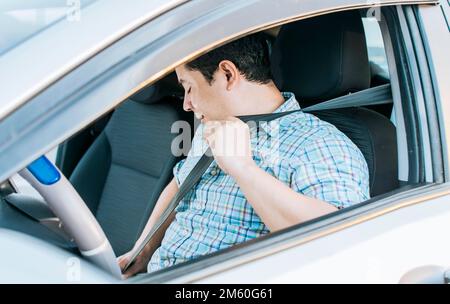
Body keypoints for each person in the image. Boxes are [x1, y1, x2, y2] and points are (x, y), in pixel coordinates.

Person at [118, 33, 370, 278]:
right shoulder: (211, 127)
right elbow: (180, 184)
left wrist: (243, 168)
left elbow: (340, 245)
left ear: (227, 74)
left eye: (189, 87)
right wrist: (143, 250)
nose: (186, 104)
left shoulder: (320, 144)